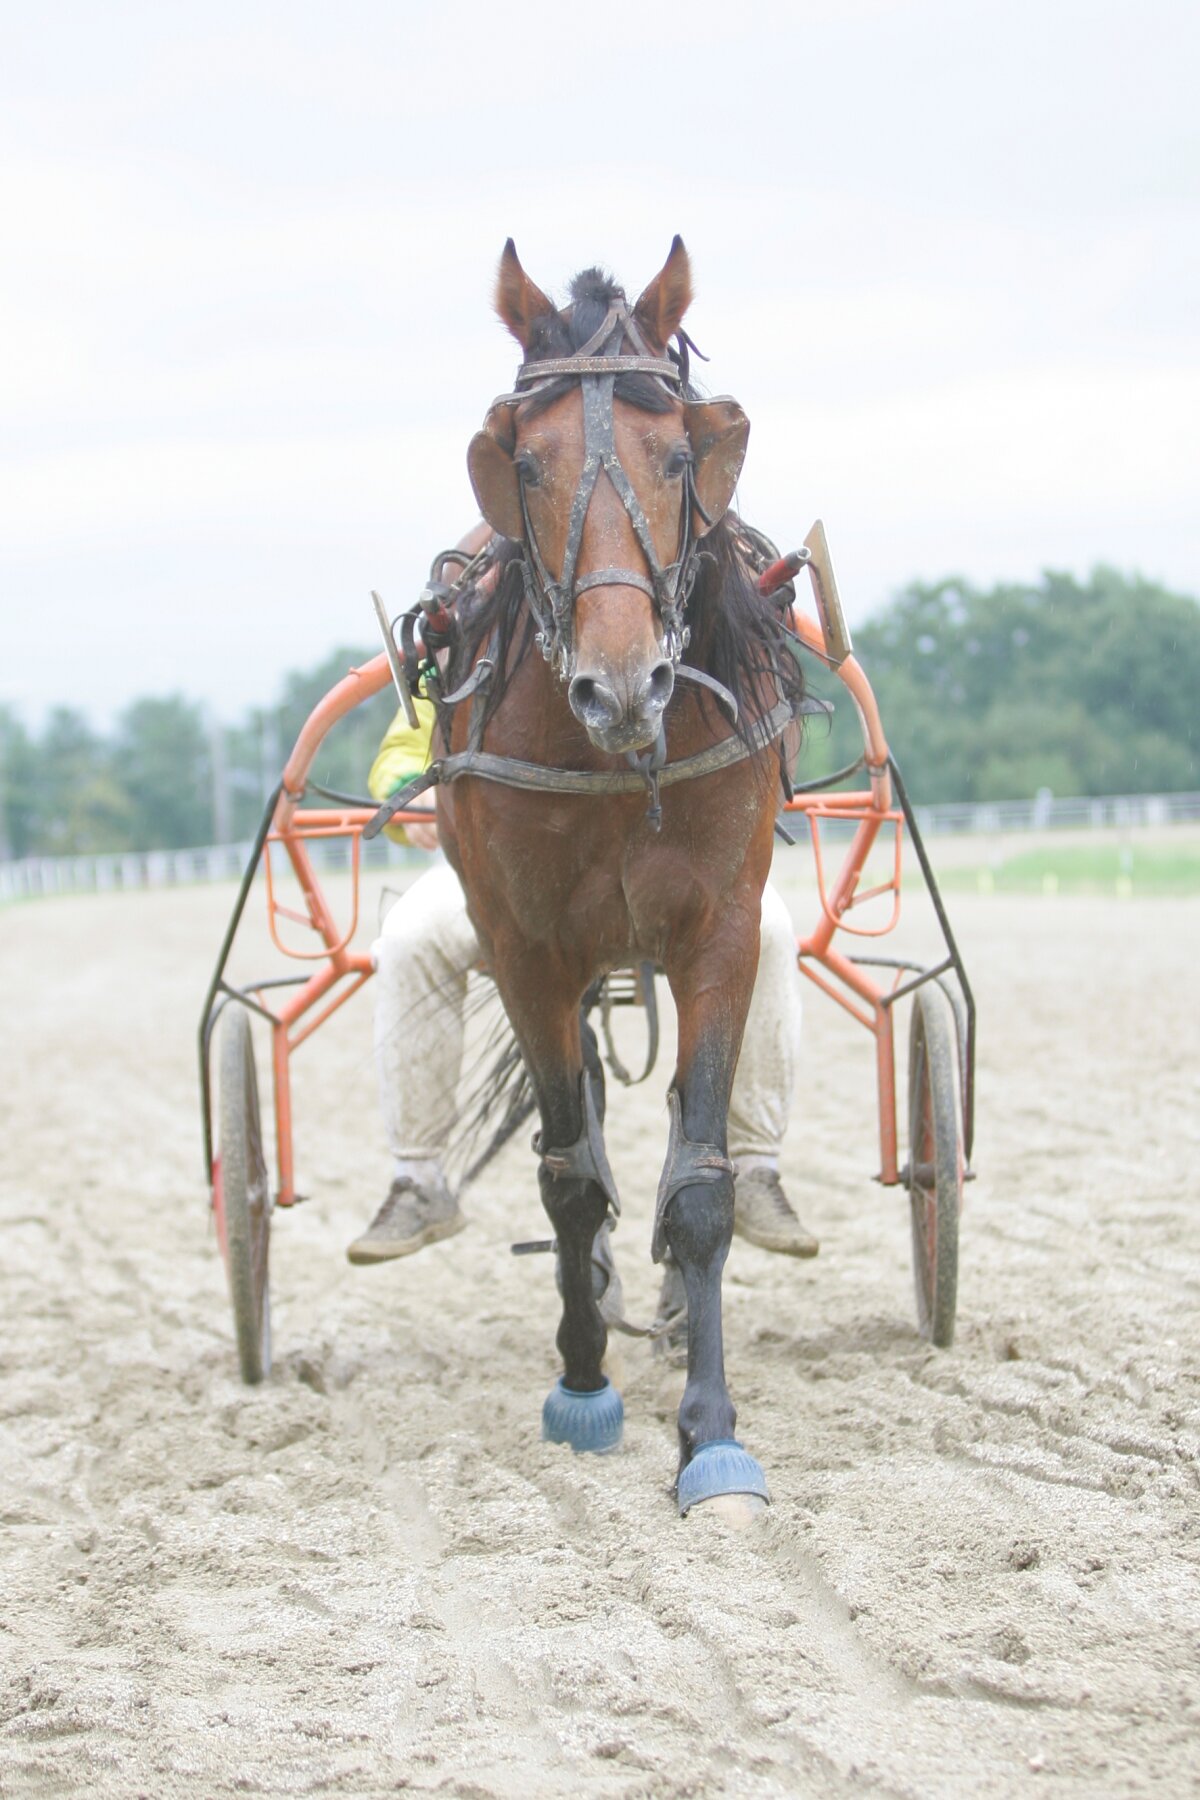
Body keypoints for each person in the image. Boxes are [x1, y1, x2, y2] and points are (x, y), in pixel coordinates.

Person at [348, 676, 818, 1268]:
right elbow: (403, 749)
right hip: (515, 870)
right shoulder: (485, 633)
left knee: (769, 932)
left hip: (679, 864)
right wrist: (405, 793)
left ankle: (753, 1169)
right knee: (410, 938)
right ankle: (417, 1179)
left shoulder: (682, 623)